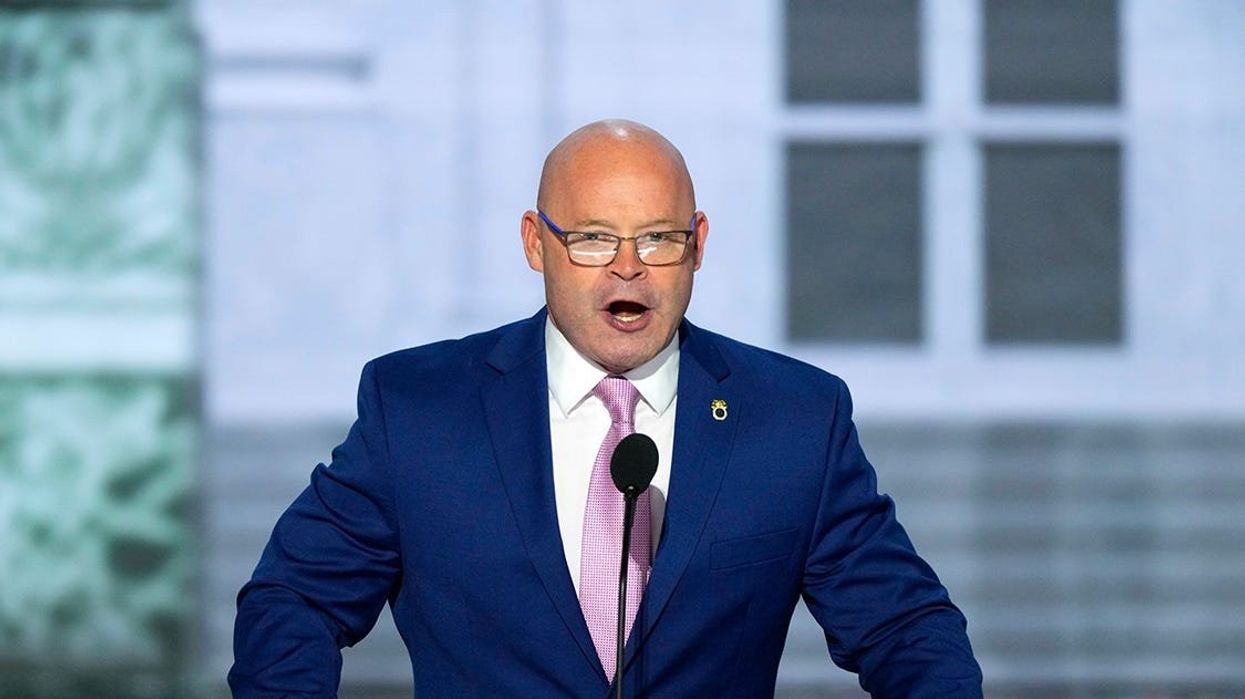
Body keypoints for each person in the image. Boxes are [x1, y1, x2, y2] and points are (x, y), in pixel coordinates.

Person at [228, 120, 983, 697]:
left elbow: (904, 627)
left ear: (697, 245)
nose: (627, 268)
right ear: (536, 243)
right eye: (592, 239)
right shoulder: (419, 409)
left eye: (657, 239)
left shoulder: (793, 419)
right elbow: (294, 598)